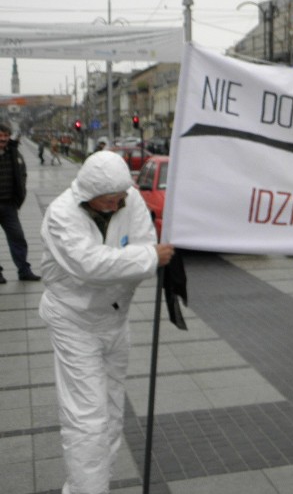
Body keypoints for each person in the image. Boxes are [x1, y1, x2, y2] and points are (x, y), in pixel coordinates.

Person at [38, 151, 175, 494]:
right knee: (87, 419)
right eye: (107, 201)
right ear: (87, 196)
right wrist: (145, 258)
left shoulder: (130, 202)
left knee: (112, 414)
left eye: (119, 199)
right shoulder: (61, 214)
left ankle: (96, 485)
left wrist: (140, 257)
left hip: (116, 320)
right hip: (75, 323)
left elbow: (142, 242)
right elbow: (90, 264)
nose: (116, 207)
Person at [0, 123, 41, 284]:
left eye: (5, 135)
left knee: (18, 238)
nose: (2, 139)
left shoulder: (14, 153)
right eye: (0, 135)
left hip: (9, 205)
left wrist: (19, 197)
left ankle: (24, 270)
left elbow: (22, 174)